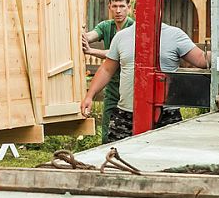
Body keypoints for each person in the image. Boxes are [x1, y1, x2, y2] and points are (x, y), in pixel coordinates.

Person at [80, 22, 208, 142]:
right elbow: (106, 70)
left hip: (166, 114)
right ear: (135, 11)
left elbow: (202, 60)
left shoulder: (175, 35)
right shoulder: (122, 36)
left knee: (166, 158)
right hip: (127, 114)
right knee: (118, 158)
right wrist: (89, 96)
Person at [81, 0, 134, 140]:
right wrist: (80, 34)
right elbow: (91, 36)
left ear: (128, 8)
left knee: (129, 131)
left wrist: (91, 51)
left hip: (129, 87)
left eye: (122, 6)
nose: (118, 10)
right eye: (115, 6)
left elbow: (115, 54)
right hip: (112, 87)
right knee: (107, 131)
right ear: (109, 7)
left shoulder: (133, 28)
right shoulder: (106, 26)